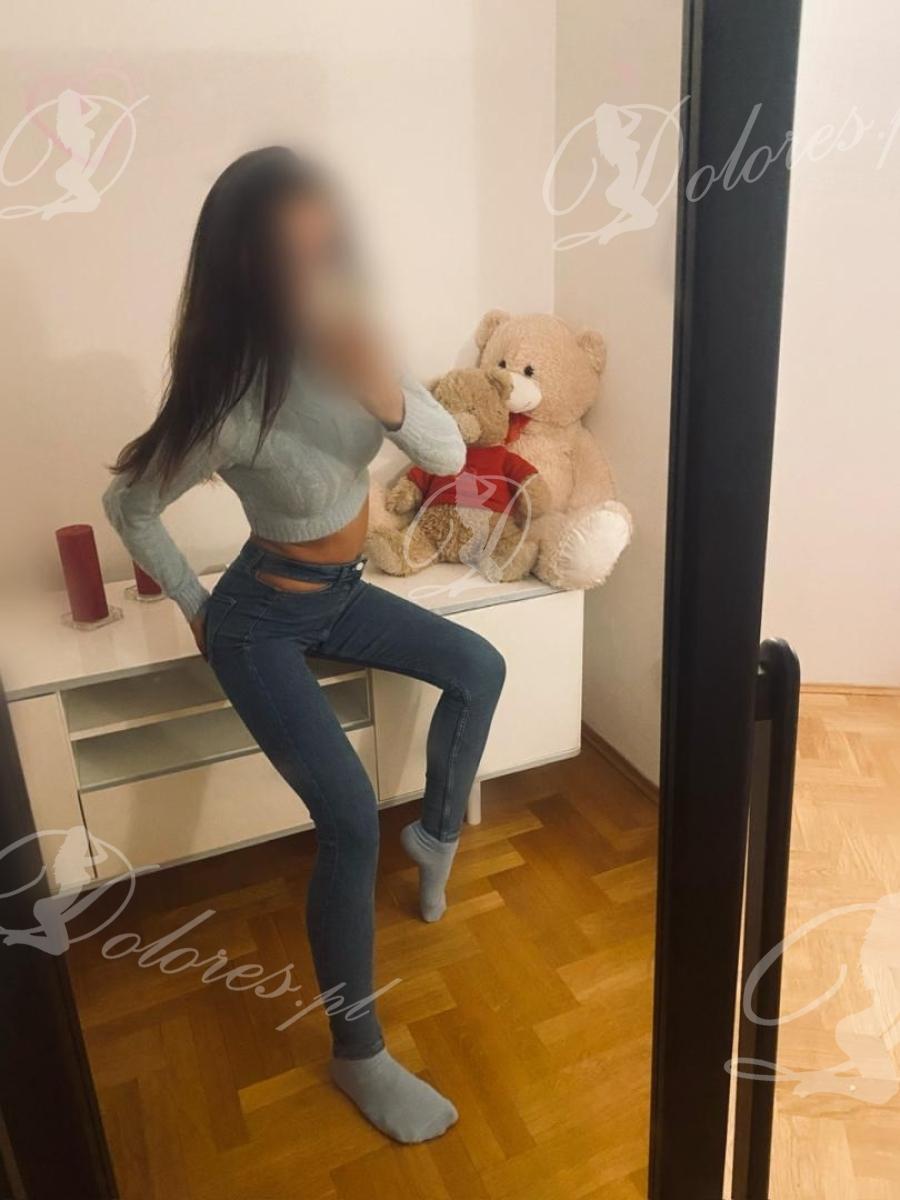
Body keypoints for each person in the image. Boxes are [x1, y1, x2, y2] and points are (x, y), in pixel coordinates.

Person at [103, 147, 506, 1144]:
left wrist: (383, 392)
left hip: (345, 594)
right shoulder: (232, 400)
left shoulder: (357, 343)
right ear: (247, 271)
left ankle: (438, 834)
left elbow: (449, 454)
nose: (320, 275)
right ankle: (357, 1053)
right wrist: (196, 606)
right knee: (350, 820)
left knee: (479, 666)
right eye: (294, 257)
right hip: (262, 621)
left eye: (330, 248)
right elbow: (130, 503)